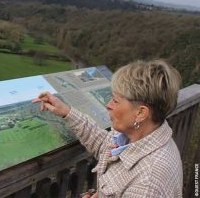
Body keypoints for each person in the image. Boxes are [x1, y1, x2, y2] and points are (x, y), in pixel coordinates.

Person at [32, 60, 183, 198]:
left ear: (141, 113)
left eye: (116, 100)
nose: (108, 104)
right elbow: (104, 144)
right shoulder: (138, 136)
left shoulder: (148, 185)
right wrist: (67, 112)